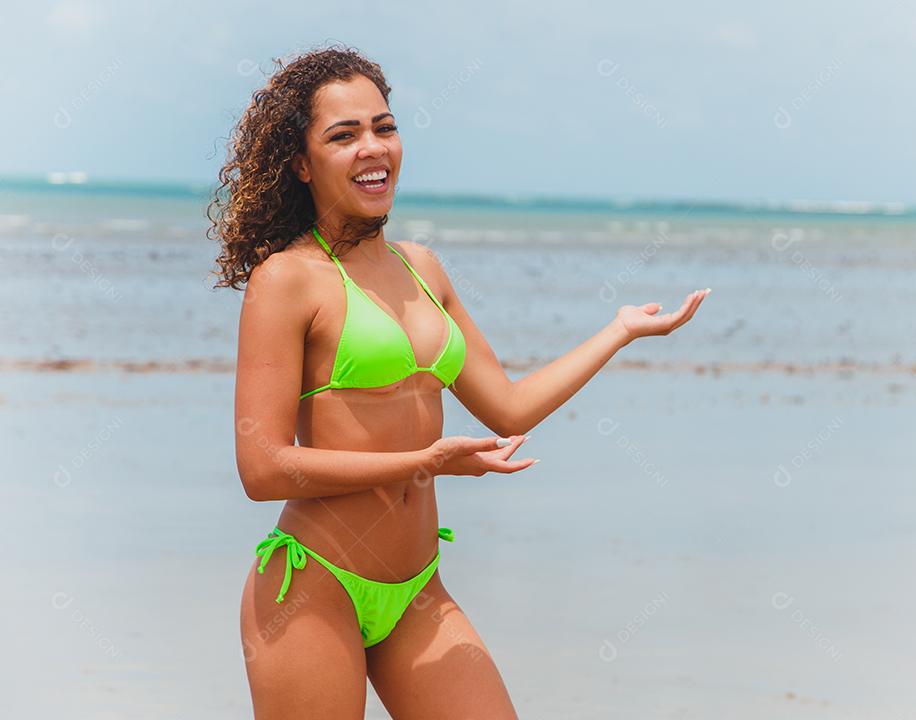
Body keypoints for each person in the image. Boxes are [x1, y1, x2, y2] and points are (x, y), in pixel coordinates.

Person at [209, 43, 710, 719]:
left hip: (417, 590)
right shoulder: (287, 281)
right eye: (343, 134)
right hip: (312, 585)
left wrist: (617, 331)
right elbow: (261, 467)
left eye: (384, 127)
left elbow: (507, 408)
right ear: (301, 163)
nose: (373, 148)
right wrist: (426, 462)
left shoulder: (422, 267)